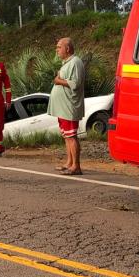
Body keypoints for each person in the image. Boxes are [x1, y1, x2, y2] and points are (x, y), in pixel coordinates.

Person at [48, 37, 85, 175]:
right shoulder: (67, 63)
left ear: (67, 48)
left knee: (71, 136)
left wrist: (58, 80)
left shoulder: (75, 62)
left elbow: (75, 84)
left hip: (69, 106)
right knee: (66, 136)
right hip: (63, 107)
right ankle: (69, 163)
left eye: (59, 47)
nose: (57, 50)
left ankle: (76, 166)